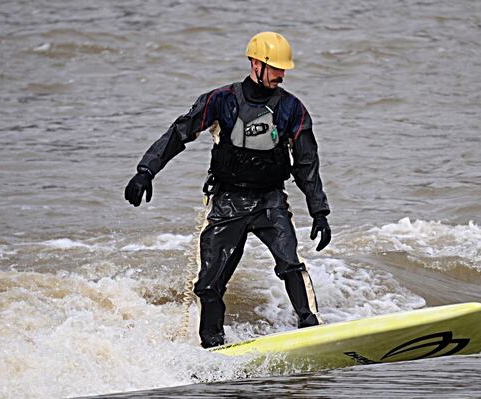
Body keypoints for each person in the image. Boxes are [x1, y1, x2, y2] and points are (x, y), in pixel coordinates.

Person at [124, 32, 331, 348]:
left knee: (290, 263)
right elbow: (180, 133)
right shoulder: (220, 100)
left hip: (270, 202)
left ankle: (312, 329)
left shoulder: (293, 108)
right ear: (256, 64)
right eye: (275, 67)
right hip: (226, 202)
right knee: (208, 284)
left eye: (283, 68)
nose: (281, 74)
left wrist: (319, 212)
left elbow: (306, 164)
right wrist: (146, 171)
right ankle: (214, 349)